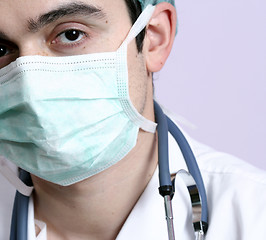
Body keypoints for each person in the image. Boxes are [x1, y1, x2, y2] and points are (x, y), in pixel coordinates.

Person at [0, 0, 265, 239]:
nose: (30, 88)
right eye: (1, 49)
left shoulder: (254, 216)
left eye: (71, 34)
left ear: (153, 37)